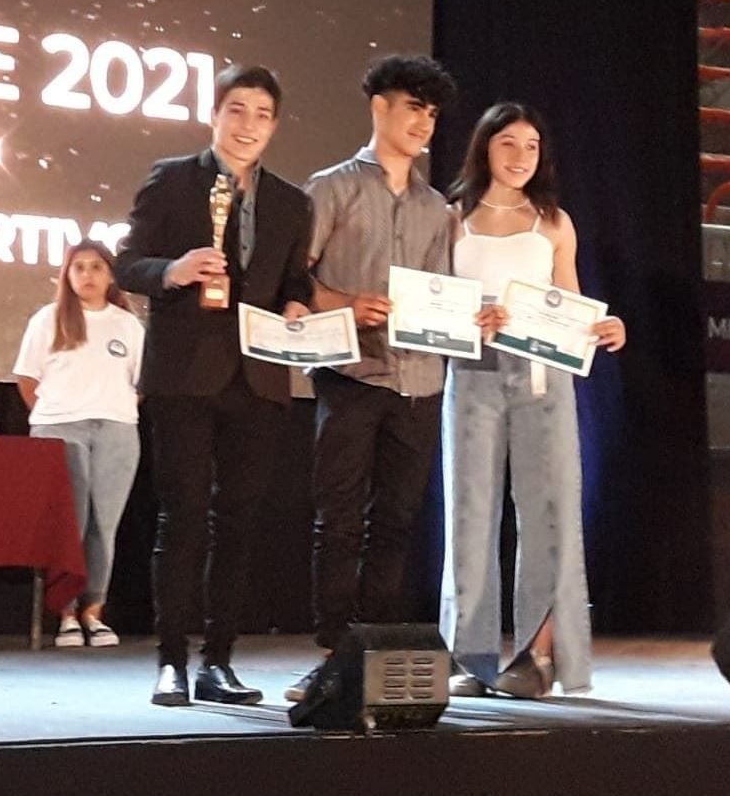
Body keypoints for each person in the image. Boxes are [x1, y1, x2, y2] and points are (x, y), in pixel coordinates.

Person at [114, 64, 314, 707]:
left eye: (262, 114)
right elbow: (127, 264)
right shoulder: (173, 179)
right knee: (182, 518)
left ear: (275, 126)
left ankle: (218, 662)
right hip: (184, 376)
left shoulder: (292, 202)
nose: (248, 125)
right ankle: (171, 662)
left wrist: (298, 305)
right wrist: (173, 270)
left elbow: (294, 280)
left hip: (259, 380)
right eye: (237, 110)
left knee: (239, 523)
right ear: (215, 114)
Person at [287, 54, 460, 702]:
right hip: (351, 373)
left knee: (396, 523)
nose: (424, 123)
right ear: (379, 107)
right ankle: (333, 657)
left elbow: (444, 293)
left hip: (420, 383)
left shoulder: (439, 208)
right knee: (339, 521)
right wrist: (346, 304)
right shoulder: (331, 188)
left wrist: (469, 317)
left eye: (432, 113)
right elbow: (294, 278)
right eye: (413, 108)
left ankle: (372, 662)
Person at [440, 102, 626, 698]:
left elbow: (570, 304)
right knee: (469, 512)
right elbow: (433, 302)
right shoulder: (453, 217)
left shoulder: (553, 222)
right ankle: (469, 656)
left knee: (549, 511)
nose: (520, 157)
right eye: (508, 144)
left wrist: (603, 327)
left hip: (542, 375)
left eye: (531, 146)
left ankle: (538, 655)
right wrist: (471, 317)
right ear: (484, 147)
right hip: (472, 370)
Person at [13, 241, 145, 649]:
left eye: (96, 267)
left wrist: (113, 408)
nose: (87, 275)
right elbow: (27, 380)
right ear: (67, 276)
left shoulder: (128, 325)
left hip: (116, 430)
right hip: (60, 428)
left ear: (111, 275)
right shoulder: (48, 319)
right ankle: (66, 613)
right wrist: (57, 414)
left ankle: (94, 611)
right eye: (79, 267)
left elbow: (141, 383)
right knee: (70, 524)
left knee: (104, 525)